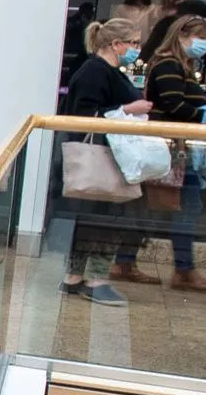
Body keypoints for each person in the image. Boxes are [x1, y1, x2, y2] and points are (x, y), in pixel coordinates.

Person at [113, 10, 206, 291]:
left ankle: (128, 260)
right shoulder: (169, 66)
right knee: (183, 206)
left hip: (173, 146)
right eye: (201, 37)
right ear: (182, 36)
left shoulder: (179, 65)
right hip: (169, 147)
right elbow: (174, 105)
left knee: (157, 206)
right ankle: (182, 269)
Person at [59, 19, 153, 303]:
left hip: (109, 154)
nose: (137, 49)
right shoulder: (95, 71)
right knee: (104, 219)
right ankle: (94, 278)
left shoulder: (107, 70)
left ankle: (75, 276)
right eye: (133, 43)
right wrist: (127, 109)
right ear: (116, 44)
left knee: (95, 219)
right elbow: (84, 114)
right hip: (103, 157)